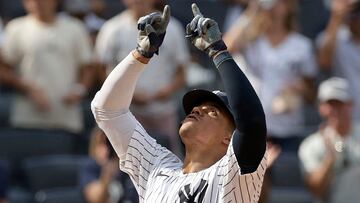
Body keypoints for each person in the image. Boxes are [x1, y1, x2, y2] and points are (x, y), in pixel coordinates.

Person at [91, 3, 267, 202]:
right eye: (198, 106)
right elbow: (107, 110)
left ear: (229, 139)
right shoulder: (157, 166)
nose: (198, 109)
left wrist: (218, 51)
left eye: (213, 111)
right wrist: (141, 54)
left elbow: (251, 123)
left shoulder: (232, 175)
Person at [95, 0, 190, 156]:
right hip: (124, 112)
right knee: (121, 165)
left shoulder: (172, 28)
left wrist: (164, 92)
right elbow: (101, 71)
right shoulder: (112, 28)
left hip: (162, 110)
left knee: (170, 162)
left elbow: (182, 73)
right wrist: (129, 95)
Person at [224, 0, 317, 151]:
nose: (274, 6)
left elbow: (311, 94)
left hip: (287, 131)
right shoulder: (251, 41)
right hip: (251, 128)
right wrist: (252, 10)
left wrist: (299, 88)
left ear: (289, 7)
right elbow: (226, 49)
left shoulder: (301, 45)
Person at [0, 0, 93, 133]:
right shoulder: (16, 28)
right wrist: (28, 88)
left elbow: (88, 67)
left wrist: (79, 90)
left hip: (66, 120)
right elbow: (3, 69)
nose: (37, 3)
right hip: (27, 120)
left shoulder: (75, 27)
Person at [298, 77, 360, 202]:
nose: (335, 110)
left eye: (339, 103)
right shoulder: (311, 145)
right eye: (330, 104)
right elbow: (315, 189)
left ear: (350, 104)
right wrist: (330, 159)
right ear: (321, 108)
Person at [317, 0, 360, 122]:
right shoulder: (336, 37)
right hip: (345, 122)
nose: (356, 18)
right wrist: (336, 17)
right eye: (353, 13)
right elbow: (324, 63)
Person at [79, 128, 138, 203]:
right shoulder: (90, 167)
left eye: (110, 144)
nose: (107, 149)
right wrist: (107, 175)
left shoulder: (128, 165)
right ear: (94, 146)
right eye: (102, 144)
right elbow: (96, 198)